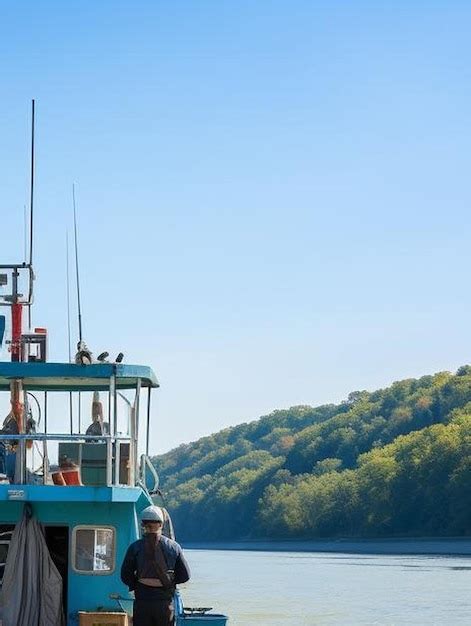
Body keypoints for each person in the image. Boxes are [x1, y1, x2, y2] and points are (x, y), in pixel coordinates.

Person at [121, 505, 190, 626]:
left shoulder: (135, 547)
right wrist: (169, 582)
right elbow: (185, 576)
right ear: (161, 524)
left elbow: (125, 575)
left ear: (143, 525)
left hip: (142, 602)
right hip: (164, 603)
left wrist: (136, 584)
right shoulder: (174, 547)